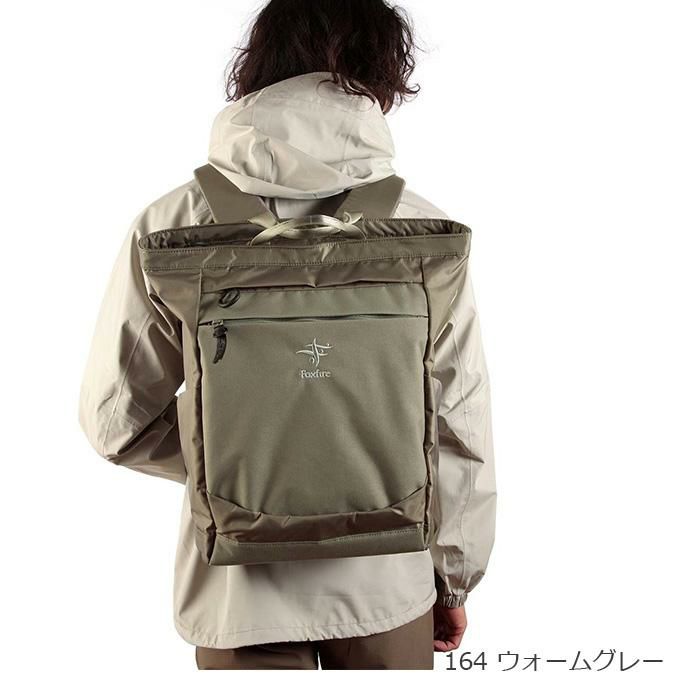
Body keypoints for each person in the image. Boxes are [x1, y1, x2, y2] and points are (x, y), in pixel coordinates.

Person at [78, 0, 496, 670]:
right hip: (387, 585)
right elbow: (458, 423)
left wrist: (240, 462)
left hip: (235, 593)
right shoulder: (421, 231)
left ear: (258, 67)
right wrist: (454, 577)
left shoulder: (172, 222)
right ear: (382, 75)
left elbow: (113, 422)